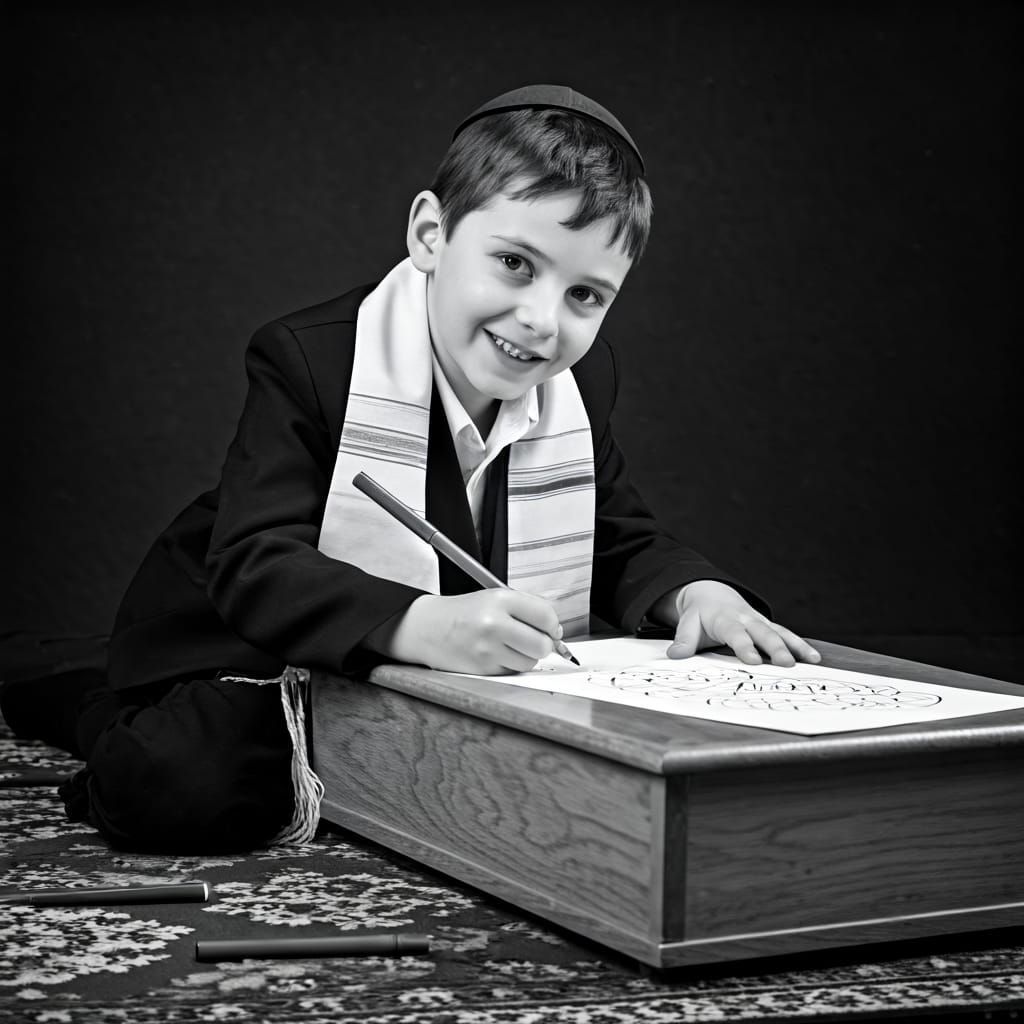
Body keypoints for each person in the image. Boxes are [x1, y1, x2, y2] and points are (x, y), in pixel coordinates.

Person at [1, 84, 820, 853]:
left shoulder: (581, 380)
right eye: (515, 264)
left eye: (586, 297)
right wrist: (419, 625)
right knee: (183, 785)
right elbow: (257, 563)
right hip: (243, 639)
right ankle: (89, 702)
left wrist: (693, 592)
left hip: (444, 658)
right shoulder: (312, 358)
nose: (541, 321)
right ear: (431, 233)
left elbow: (616, 531)